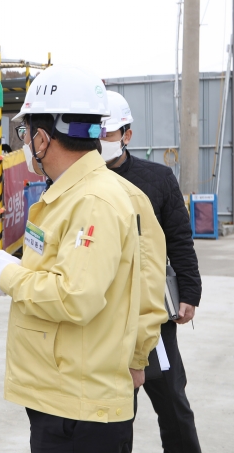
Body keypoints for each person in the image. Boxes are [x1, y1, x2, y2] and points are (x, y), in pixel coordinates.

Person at [0, 66, 164, 452]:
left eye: (25, 133)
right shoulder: (71, 195)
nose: (24, 144)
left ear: (43, 138)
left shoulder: (93, 201)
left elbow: (74, 295)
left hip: (78, 406)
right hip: (62, 392)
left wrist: (9, 278)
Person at [102, 90, 203, 452]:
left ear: (127, 135)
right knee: (115, 409)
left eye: (108, 134)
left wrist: (189, 292)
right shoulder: (79, 183)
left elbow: (179, 238)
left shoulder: (157, 178)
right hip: (105, 314)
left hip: (153, 313)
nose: (100, 142)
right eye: (94, 133)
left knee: (172, 401)